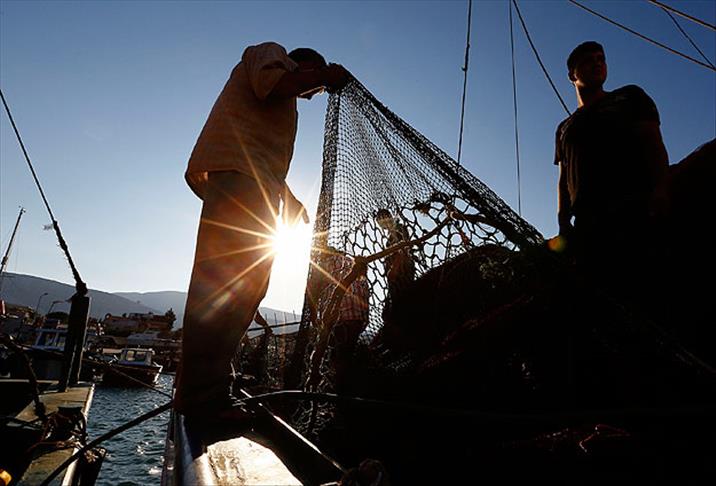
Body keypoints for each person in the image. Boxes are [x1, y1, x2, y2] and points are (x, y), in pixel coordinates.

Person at [174, 42, 349, 419]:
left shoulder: (285, 98)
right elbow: (272, 83)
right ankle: (202, 398)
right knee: (225, 285)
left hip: (251, 182)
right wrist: (326, 76)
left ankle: (208, 387)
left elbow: (257, 151)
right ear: (304, 64)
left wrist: (288, 198)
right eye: (313, 88)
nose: (312, 95)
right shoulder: (272, 54)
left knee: (249, 286)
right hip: (237, 178)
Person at [553, 41, 668, 305]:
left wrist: (661, 188)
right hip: (589, 223)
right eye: (588, 60)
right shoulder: (564, 128)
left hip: (633, 207)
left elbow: (653, 142)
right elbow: (563, 178)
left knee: (647, 291)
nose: (597, 63)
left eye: (601, 58)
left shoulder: (629, 97)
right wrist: (562, 222)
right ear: (573, 74)